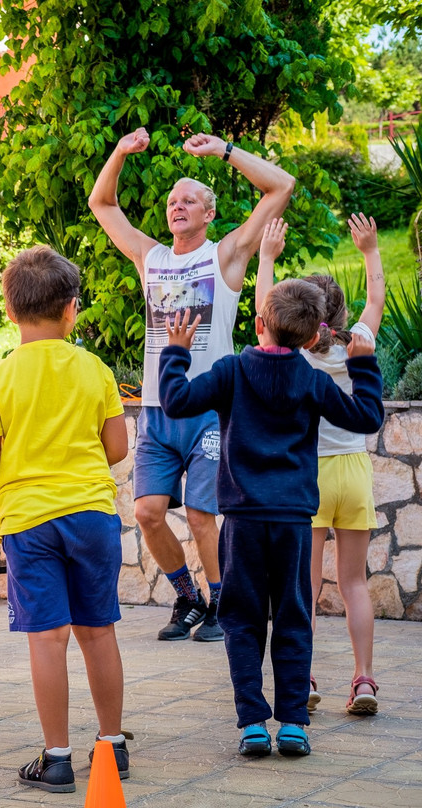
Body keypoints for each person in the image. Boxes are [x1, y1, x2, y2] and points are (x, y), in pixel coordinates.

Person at [158, 283, 384, 758]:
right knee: (293, 618)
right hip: (294, 522)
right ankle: (295, 725)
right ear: (309, 339)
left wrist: (175, 352)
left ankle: (253, 724)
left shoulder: (232, 371)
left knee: (241, 620)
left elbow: (176, 401)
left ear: (259, 323)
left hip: (242, 520)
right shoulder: (314, 380)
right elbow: (367, 416)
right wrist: (362, 362)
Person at [88, 129, 295, 641]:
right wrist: (119, 152)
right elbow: (102, 202)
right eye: (171, 200)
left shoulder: (225, 256)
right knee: (147, 512)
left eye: (189, 200)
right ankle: (188, 598)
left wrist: (223, 151)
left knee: (204, 516)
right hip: (160, 411)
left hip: (209, 408)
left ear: (208, 214)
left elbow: (281, 188)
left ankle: (224, 602)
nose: (177, 206)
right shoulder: (150, 257)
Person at [0, 247, 130, 794]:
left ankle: (56, 758)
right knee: (97, 630)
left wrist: (5, 494)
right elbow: (117, 446)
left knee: (48, 639)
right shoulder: (96, 369)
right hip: (91, 513)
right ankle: (112, 746)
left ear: (10, 312)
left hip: (28, 520)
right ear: (72, 310)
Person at [255, 215, 386, 716]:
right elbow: (376, 298)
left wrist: (267, 256)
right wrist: (369, 249)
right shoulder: (358, 342)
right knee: (354, 583)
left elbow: (269, 308)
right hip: (353, 470)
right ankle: (364, 680)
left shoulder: (292, 351)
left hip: (309, 474)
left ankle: (303, 675)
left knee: (302, 587)